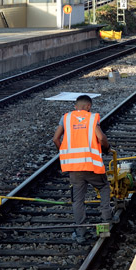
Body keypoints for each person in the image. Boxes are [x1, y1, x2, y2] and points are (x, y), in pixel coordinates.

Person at [52, 95, 112, 244]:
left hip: (74, 168)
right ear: (88, 106)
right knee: (104, 187)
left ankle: (80, 233)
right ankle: (106, 221)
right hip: (91, 165)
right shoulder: (92, 118)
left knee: (78, 200)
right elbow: (101, 138)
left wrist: (64, 153)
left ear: (75, 106)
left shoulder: (65, 118)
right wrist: (107, 147)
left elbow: (55, 139)